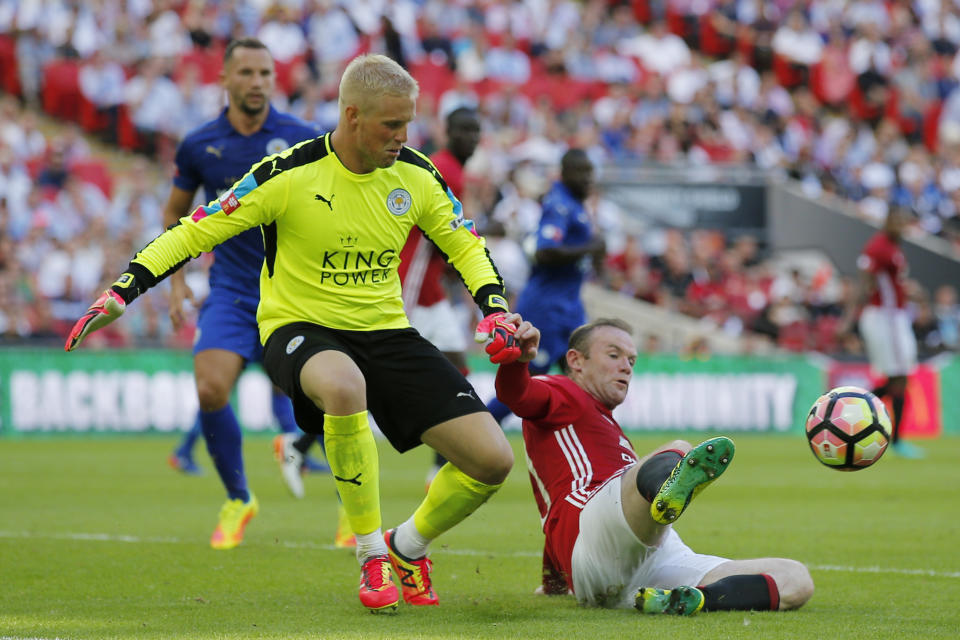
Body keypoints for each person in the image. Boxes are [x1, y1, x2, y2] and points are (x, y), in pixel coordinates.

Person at [65, 53, 519, 614]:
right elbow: (193, 230)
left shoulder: (417, 175)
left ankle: (407, 547)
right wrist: (121, 292)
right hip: (299, 329)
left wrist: (494, 309)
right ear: (352, 116)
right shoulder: (288, 174)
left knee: (493, 461)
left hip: (387, 333)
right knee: (346, 387)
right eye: (391, 125)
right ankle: (371, 553)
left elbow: (466, 245)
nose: (403, 137)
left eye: (408, 124)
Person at [157, 37, 343, 551]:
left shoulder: (302, 138)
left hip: (295, 296)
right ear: (225, 79)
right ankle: (239, 498)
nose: (258, 81)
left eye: (266, 73)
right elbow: (174, 215)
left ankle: (353, 512)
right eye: (247, 73)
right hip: (233, 292)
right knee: (211, 388)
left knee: (332, 400)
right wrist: (175, 282)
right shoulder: (199, 145)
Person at [495, 317, 814, 614]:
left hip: (647, 557)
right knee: (678, 449)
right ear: (576, 361)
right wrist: (518, 361)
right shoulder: (560, 390)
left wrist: (553, 584)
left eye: (631, 360)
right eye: (614, 355)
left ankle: (697, 599)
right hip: (596, 537)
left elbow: (552, 509)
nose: (626, 367)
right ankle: (662, 498)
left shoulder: (606, 427)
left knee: (795, 579)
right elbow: (517, 394)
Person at [280, 107, 483, 491]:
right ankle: (300, 441)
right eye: (465, 129)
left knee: (458, 369)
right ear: (447, 132)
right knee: (376, 374)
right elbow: (443, 236)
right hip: (409, 287)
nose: (472, 137)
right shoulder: (443, 168)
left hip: (432, 292)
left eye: (476, 130)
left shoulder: (448, 167)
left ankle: (437, 468)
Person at [486, 148, 606, 424]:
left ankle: (594, 451)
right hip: (546, 309)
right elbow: (545, 251)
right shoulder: (559, 204)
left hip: (569, 307)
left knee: (584, 381)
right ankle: (469, 437)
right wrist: (590, 248)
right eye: (581, 172)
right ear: (564, 174)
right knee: (523, 386)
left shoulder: (576, 205)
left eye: (590, 172)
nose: (588, 178)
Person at [853, 207, 924, 458]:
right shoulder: (878, 247)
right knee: (900, 377)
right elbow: (864, 281)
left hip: (895, 317)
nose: (902, 226)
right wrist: (849, 318)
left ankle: (850, 410)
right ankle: (896, 440)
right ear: (888, 222)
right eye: (898, 221)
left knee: (898, 379)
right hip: (885, 318)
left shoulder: (894, 248)